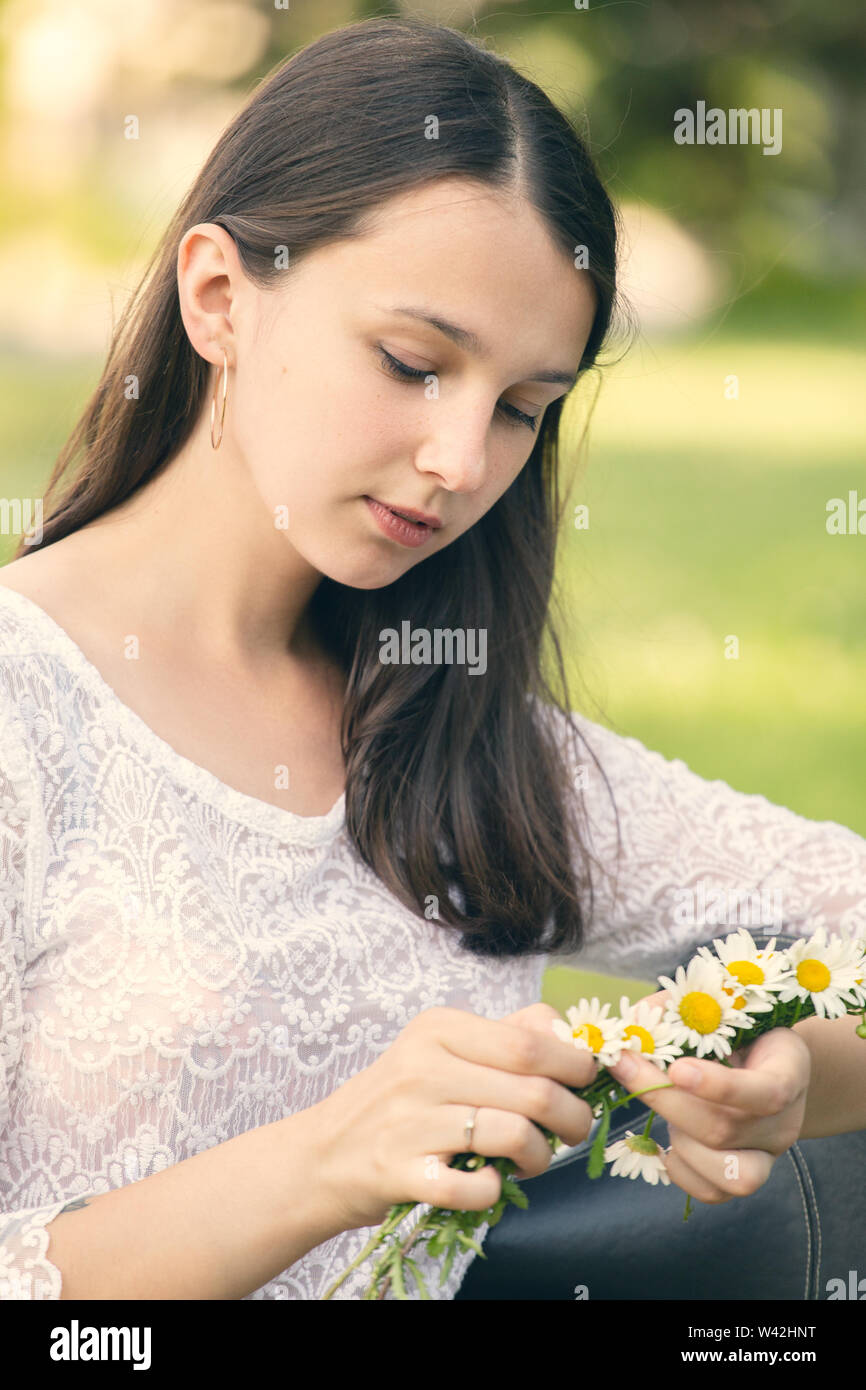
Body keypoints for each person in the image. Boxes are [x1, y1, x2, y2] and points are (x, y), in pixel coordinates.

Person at [1, 16, 865, 1303]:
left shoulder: (458, 733)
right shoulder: (30, 713)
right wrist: (321, 1165)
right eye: (412, 363)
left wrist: (800, 1079)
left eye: (523, 407)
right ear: (219, 298)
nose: (462, 461)